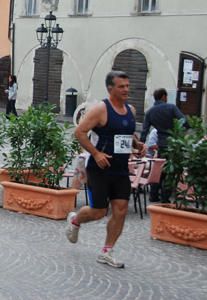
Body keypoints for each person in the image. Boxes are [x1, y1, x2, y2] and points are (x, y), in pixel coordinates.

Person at [67, 71, 145, 269]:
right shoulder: (101, 109)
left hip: (120, 170)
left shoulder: (130, 111)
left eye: (127, 85)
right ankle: (75, 219)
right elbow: (79, 132)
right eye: (121, 86)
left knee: (120, 210)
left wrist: (138, 146)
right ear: (111, 89)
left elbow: (128, 135)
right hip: (100, 168)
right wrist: (96, 153)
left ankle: (106, 251)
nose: (126, 89)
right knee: (99, 212)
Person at [139, 88, 189, 203]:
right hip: (173, 143)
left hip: (161, 144)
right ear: (164, 97)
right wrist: (181, 132)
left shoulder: (150, 112)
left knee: (160, 169)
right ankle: (165, 197)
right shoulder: (171, 107)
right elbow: (184, 121)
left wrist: (140, 146)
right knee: (170, 170)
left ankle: (153, 194)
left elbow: (144, 131)